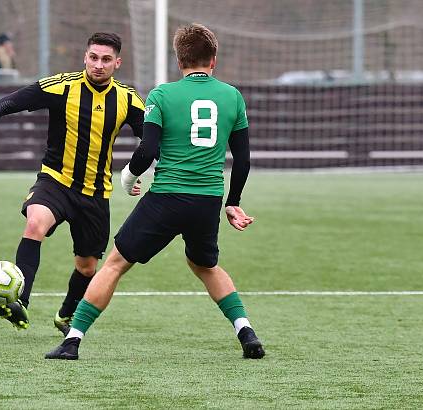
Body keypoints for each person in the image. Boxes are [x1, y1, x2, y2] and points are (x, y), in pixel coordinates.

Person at [45, 23, 264, 360]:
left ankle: (72, 340)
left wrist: (129, 179)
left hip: (166, 197)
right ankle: (246, 333)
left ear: (179, 61)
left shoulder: (162, 95)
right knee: (205, 266)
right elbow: (244, 160)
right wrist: (232, 203)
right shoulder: (232, 96)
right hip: (207, 200)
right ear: (213, 60)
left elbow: (146, 151)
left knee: (115, 264)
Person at [0, 33, 145, 334]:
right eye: (93, 57)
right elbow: (7, 103)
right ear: (85, 57)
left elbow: (149, 141)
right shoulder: (61, 86)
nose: (98, 65)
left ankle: (65, 315)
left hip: (96, 193)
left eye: (106, 59)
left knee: (87, 267)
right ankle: (19, 301)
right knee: (35, 224)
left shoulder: (127, 99)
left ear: (117, 63)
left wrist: (133, 174)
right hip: (55, 182)